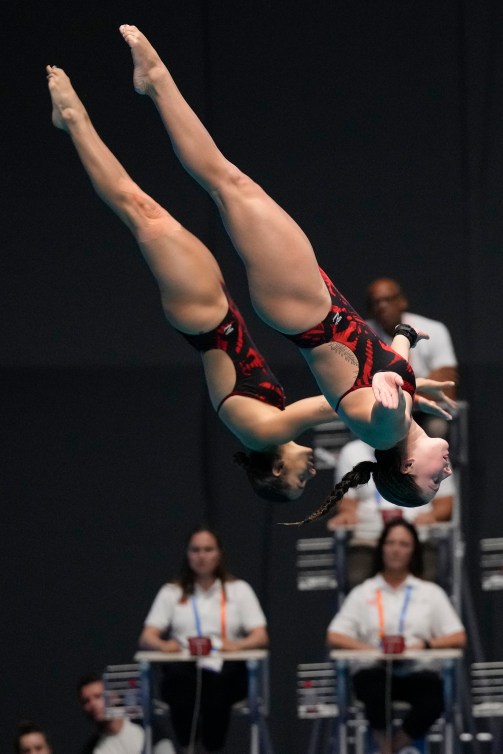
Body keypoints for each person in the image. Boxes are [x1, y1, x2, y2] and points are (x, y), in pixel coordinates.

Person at [115, 25, 456, 522]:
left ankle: (157, 80)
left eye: (430, 480)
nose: (444, 473)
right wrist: (404, 340)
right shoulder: (397, 423)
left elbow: (378, 404)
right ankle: (156, 82)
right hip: (311, 304)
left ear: (405, 465)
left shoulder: (386, 430)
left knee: (227, 183)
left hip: (307, 311)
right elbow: (390, 370)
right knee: (230, 184)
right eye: (440, 482)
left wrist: (390, 392)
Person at [45, 64, 345, 505]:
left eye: (301, 482)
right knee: (143, 209)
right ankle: (76, 118)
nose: (312, 473)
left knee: (139, 210)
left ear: (278, 468)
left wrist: (404, 391)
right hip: (213, 314)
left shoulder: (264, 432)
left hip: (205, 319)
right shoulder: (269, 424)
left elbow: (334, 403)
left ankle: (73, 119)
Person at [327, 519, 466, 754]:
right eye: (390, 543)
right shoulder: (364, 592)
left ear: (413, 551)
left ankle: (394, 747)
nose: (396, 549)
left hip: (417, 671)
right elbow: (335, 635)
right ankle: (382, 742)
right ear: (381, 547)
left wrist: (425, 645)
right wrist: (371, 651)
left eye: (403, 544)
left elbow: (458, 637)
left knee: (434, 697)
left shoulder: (430, 593)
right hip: (376, 670)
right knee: (373, 690)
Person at [139, 526, 268, 754]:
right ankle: (188, 746)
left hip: (225, 668)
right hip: (186, 667)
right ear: (187, 554)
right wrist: (162, 645)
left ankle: (212, 750)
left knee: (217, 688)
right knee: (179, 684)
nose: (201, 556)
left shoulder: (238, 590)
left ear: (219, 554)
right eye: (195, 550)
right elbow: (147, 636)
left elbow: (260, 636)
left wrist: (238, 645)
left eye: (208, 550)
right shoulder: (171, 592)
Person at [327, 438, 455, 586]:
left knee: (429, 580)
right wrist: (348, 515)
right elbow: (347, 504)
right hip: (369, 539)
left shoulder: (433, 451)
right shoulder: (352, 452)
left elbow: (445, 503)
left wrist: (433, 515)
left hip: (417, 538)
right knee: (357, 578)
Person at [366, 277, 458, 438]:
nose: (382, 306)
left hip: (422, 410)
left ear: (402, 301)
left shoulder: (433, 330)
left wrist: (398, 393)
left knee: (437, 427)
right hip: (384, 415)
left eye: (388, 300)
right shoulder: (364, 336)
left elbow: (446, 387)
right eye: (376, 302)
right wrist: (421, 385)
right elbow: (362, 392)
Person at [78, 673, 151, 754]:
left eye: (98, 696)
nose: (93, 704)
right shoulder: (91, 750)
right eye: (86, 701)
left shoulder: (146, 726)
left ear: (114, 697)